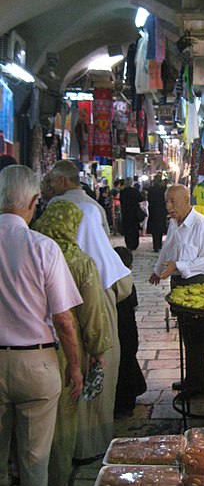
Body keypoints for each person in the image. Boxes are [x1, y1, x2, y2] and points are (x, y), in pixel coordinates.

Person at [0, 165, 83, 486]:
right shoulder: (43, 248)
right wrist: (75, 366)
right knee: (35, 464)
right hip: (36, 365)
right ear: (35, 201)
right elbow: (63, 320)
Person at [43, 164, 132, 460]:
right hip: (100, 294)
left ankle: (71, 450)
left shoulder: (59, 220)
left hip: (75, 298)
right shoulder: (92, 207)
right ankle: (92, 445)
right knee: (99, 372)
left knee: (76, 372)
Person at [33, 200, 112, 486]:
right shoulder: (79, 261)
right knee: (63, 418)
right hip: (67, 350)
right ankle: (55, 483)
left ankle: (22, 481)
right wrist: (98, 349)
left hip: (28, 346)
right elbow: (90, 313)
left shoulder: (30, 250)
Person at [149, 184, 204, 396]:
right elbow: (168, 248)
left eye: (173, 201)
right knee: (187, 334)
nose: (168, 206)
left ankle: (198, 385)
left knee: (197, 336)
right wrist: (157, 270)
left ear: (187, 200)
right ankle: (192, 379)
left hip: (198, 285)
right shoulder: (174, 224)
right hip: (180, 284)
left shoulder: (202, 225)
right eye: (166, 202)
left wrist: (178, 266)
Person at [113, 246, 147, 417]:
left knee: (123, 363)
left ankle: (125, 403)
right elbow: (134, 306)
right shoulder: (127, 281)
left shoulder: (108, 278)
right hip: (128, 328)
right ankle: (133, 394)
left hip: (116, 327)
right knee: (127, 359)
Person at [45, 160, 110, 235]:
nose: (52, 185)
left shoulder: (57, 203)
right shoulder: (97, 207)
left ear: (62, 181)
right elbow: (105, 235)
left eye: (52, 181)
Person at [119, 177, 143, 250]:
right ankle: (135, 243)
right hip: (134, 213)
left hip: (126, 213)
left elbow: (121, 201)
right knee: (134, 229)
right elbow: (140, 199)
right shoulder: (135, 191)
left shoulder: (122, 192)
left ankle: (128, 244)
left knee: (127, 230)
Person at [147, 173, 168, 252]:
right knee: (160, 228)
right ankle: (159, 244)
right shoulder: (163, 189)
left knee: (154, 230)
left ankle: (155, 245)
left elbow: (149, 199)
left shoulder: (151, 189)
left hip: (153, 210)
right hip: (161, 211)